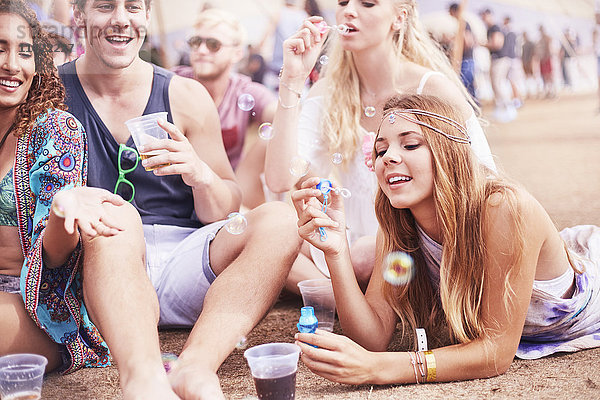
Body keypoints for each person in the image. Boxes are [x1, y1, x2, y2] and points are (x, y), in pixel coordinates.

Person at [59, 1, 302, 398]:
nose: (122, 19)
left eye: (133, 7)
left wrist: (200, 175)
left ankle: (195, 368)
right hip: (102, 266)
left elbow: (224, 209)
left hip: (183, 262)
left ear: (146, 16)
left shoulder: (186, 95)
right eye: (105, 6)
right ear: (79, 15)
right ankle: (144, 380)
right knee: (116, 217)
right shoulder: (49, 92)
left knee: (280, 219)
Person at [292, 93, 600, 385]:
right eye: (381, 149)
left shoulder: (504, 208)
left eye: (410, 144)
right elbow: (371, 338)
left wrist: (381, 369)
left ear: (448, 151)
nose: (389, 157)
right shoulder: (397, 223)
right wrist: (336, 252)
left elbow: (495, 353)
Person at [0, 2, 180, 399]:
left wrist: (62, 213)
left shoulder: (55, 130)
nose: (12, 64)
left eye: (25, 51)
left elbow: (57, 258)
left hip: (38, 303)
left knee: (113, 215)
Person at [265, 0, 495, 292]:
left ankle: (334, 291)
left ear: (399, 18)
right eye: (343, 2)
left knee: (361, 254)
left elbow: (485, 176)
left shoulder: (431, 89)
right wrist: (293, 80)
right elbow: (279, 178)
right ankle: (342, 293)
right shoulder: (327, 92)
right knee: (274, 238)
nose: (349, 11)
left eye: (368, 4)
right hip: (350, 246)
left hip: (417, 242)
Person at [172, 9, 277, 209]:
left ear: (237, 53)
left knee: (271, 139)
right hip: (176, 193)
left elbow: (278, 113)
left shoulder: (244, 90)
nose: (202, 50)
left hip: (227, 193)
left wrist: (293, 81)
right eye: (196, 42)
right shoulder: (172, 84)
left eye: (213, 44)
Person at [480, 8, 516, 122]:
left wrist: (482, 44)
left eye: (484, 15)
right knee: (497, 84)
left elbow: (497, 44)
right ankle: (503, 109)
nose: (482, 18)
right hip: (498, 59)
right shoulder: (492, 28)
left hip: (500, 59)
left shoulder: (495, 27)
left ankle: (508, 109)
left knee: (498, 84)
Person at [449, 2, 476, 101]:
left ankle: (473, 108)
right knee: (467, 85)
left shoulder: (463, 23)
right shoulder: (459, 24)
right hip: (465, 59)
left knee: (467, 85)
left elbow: (468, 42)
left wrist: (456, 50)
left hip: (466, 59)